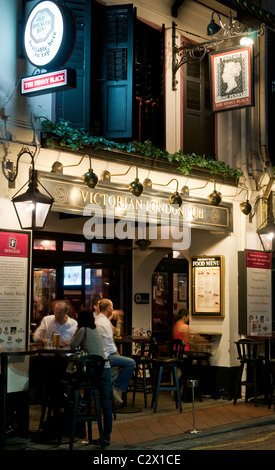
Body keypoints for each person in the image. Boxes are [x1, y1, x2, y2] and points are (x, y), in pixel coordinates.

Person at [70, 308, 112, 447]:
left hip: (95, 371)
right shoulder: (96, 329)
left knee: (78, 386)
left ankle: (82, 405)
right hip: (106, 368)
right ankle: (105, 437)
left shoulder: (83, 330)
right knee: (106, 404)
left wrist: (77, 331)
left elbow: (72, 345)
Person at [95, 298, 135, 404]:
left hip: (97, 356)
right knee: (130, 363)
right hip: (105, 357)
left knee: (117, 365)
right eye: (112, 307)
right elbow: (111, 347)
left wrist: (119, 320)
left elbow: (116, 332)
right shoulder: (104, 323)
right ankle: (115, 388)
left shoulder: (99, 320)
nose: (113, 309)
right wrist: (119, 356)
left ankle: (107, 387)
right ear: (108, 309)